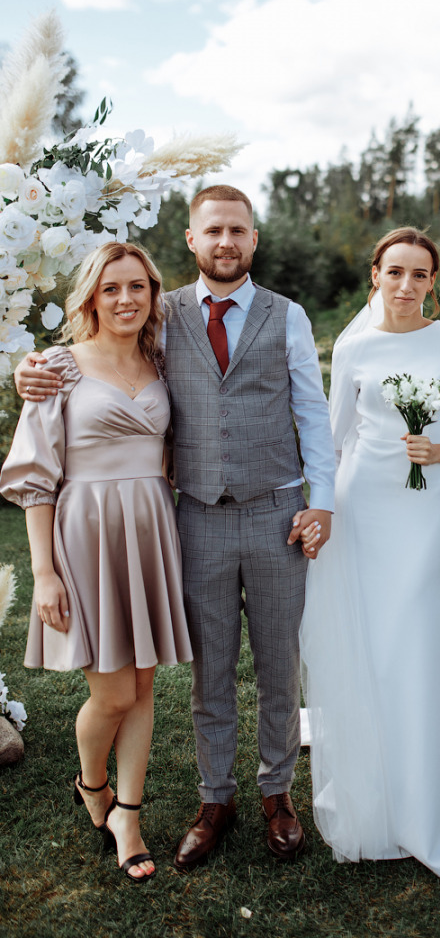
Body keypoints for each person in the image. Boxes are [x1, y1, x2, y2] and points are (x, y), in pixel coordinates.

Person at [16, 185, 335, 869]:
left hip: (278, 512)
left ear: (254, 239)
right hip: (192, 522)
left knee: (280, 667)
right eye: (212, 230)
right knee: (209, 673)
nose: (226, 242)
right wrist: (30, 370)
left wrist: (323, 501)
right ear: (191, 239)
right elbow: (93, 345)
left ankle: (278, 795)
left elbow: (313, 411)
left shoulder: (289, 316)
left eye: (238, 231)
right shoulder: (161, 315)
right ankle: (213, 799)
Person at [299, 227, 440, 879]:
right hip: (363, 507)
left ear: (434, 282)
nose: (407, 286)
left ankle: (431, 788)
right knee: (372, 640)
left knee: (413, 624)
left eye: (420, 275)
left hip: (424, 504)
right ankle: (377, 778)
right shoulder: (355, 347)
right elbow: (332, 443)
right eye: (395, 272)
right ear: (375, 276)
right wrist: (321, 508)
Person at [1, 242, 193, 883]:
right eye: (111, 289)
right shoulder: (57, 367)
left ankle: (128, 815)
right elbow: (36, 479)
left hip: (150, 529)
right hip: (84, 534)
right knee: (111, 690)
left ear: (152, 293)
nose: (126, 300)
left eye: (137, 287)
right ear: (90, 297)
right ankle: (91, 785)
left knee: (143, 684)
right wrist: (44, 572)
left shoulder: (163, 361)